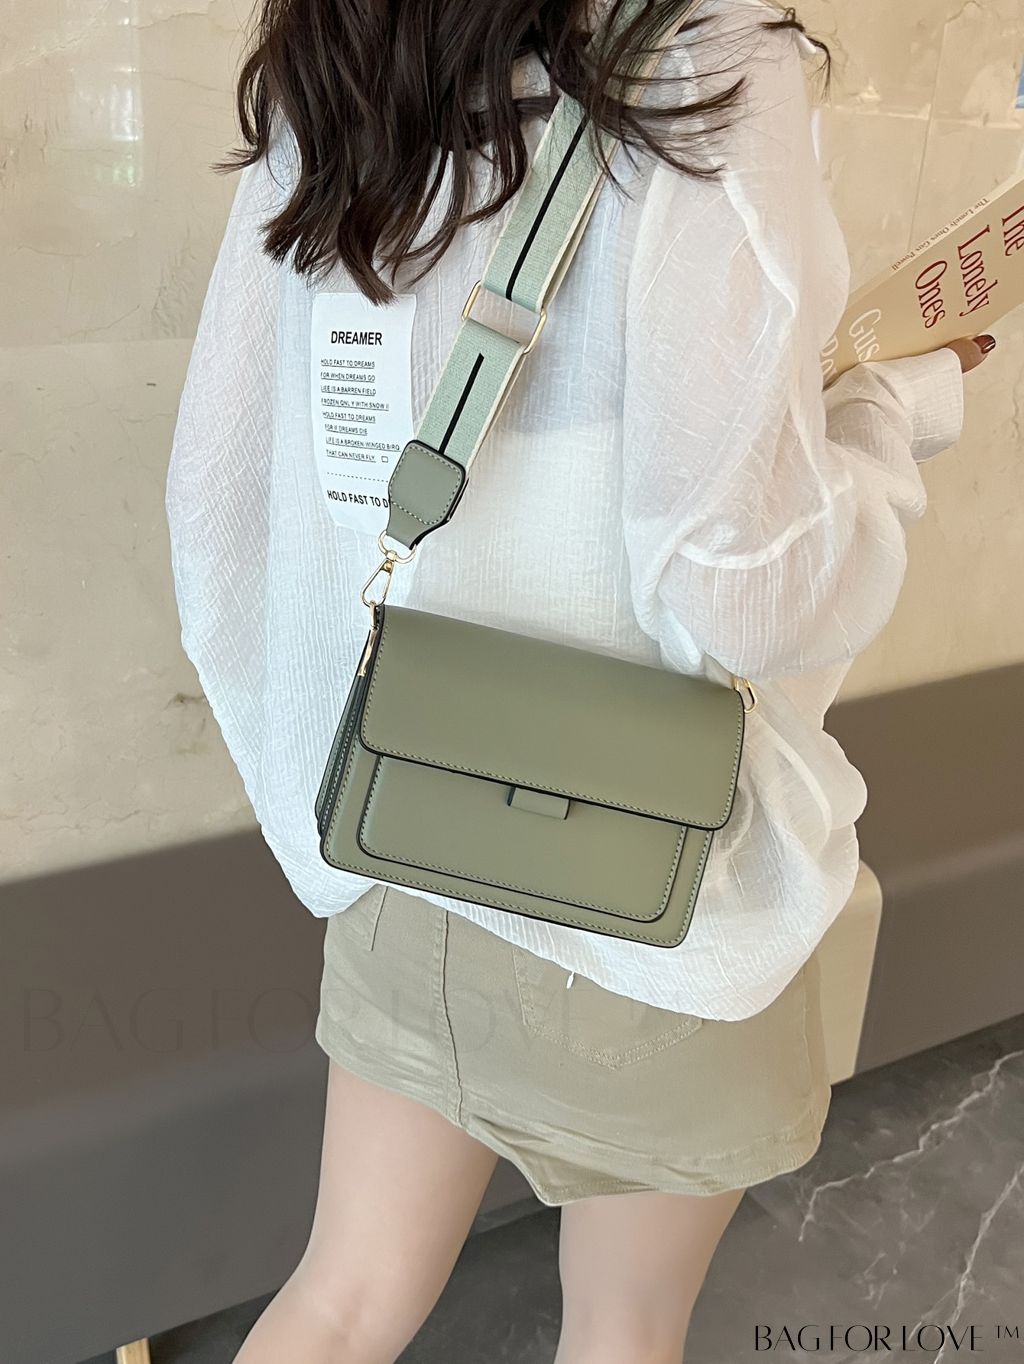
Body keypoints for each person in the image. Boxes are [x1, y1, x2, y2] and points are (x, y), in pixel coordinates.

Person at [165, 0, 994, 1359]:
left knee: (343, 1300)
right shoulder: (709, 59)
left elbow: (216, 517)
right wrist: (886, 411)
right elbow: (744, 589)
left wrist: (317, 817)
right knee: (624, 1322)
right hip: (669, 895)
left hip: (403, 840)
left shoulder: (342, 60)